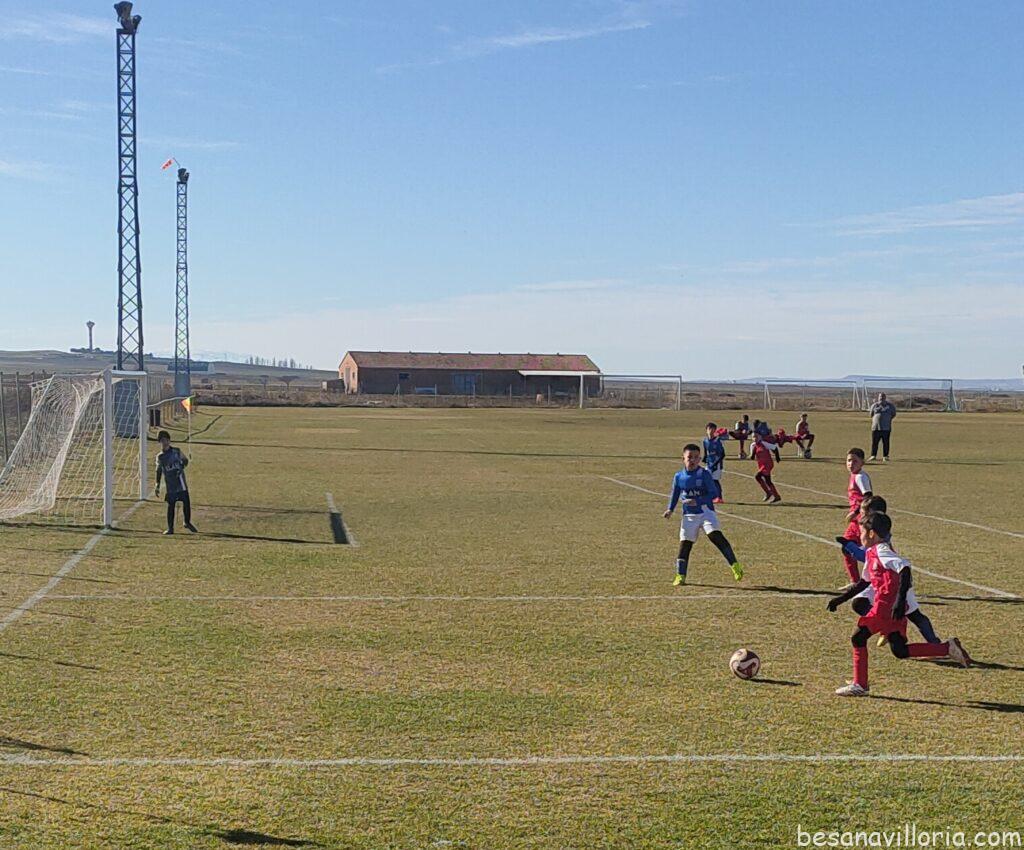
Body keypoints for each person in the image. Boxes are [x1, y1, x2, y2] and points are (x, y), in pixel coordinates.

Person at [827, 512, 970, 697]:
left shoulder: (881, 550)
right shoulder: (871, 553)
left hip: (885, 607)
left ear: (872, 533)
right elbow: (863, 583)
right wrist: (840, 599)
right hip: (892, 608)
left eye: (861, 532)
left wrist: (900, 601)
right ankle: (947, 648)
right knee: (900, 650)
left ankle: (860, 684)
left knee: (858, 638)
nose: (859, 536)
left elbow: (904, 568)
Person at [836, 496, 941, 646]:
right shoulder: (875, 527)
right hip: (879, 577)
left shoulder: (878, 533)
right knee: (859, 603)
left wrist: (849, 546)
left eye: (863, 512)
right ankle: (887, 626)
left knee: (914, 614)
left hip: (894, 578)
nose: (861, 515)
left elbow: (868, 556)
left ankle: (934, 643)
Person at [663, 443, 744, 585]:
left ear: (700, 459)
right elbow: (675, 494)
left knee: (715, 536)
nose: (692, 460)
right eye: (689, 457)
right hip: (689, 515)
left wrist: (698, 501)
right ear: (683, 458)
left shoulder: (704, 474)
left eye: (696, 457)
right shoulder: (679, 476)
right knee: (685, 544)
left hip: (706, 512)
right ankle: (680, 575)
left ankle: (735, 565)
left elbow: (713, 493)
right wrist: (670, 509)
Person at [838, 448, 872, 583]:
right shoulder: (855, 475)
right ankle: (856, 581)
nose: (851, 463)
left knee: (854, 548)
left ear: (862, 462)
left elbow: (868, 497)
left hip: (861, 519)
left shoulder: (860, 477)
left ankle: (864, 580)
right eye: (849, 460)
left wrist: (855, 512)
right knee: (848, 547)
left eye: (855, 461)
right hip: (857, 520)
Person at [155, 430, 197, 535]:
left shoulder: (176, 451)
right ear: (160, 442)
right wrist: (157, 484)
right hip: (170, 485)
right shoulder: (160, 457)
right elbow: (158, 470)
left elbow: (185, 461)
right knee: (171, 506)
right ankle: (170, 528)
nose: (165, 442)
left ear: (169, 440)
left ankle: (187, 522)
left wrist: (181, 467)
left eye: (166, 440)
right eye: (162, 440)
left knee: (186, 502)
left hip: (181, 482)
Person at [750, 434, 781, 503]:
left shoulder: (764, 443)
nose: (755, 438)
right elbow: (752, 456)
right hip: (762, 465)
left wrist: (777, 457)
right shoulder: (753, 445)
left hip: (767, 464)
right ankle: (772, 494)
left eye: (756, 437)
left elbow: (775, 448)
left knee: (761, 478)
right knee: (760, 478)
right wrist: (752, 455)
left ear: (759, 437)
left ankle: (773, 495)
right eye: (753, 437)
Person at [868, 393, 897, 462]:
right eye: (880, 396)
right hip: (876, 428)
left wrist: (886, 419)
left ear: (885, 397)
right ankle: (873, 455)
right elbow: (871, 414)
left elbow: (893, 414)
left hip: (886, 428)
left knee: (886, 443)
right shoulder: (874, 405)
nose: (881, 398)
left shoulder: (890, 406)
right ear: (878, 397)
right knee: (875, 442)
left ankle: (885, 456)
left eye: (883, 397)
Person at [702, 422, 726, 504]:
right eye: (709, 429)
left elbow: (722, 454)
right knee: (707, 479)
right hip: (709, 463)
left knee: (715, 480)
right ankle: (710, 496)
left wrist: (715, 464)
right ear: (706, 430)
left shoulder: (717, 441)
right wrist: (704, 458)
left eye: (713, 429)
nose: (711, 431)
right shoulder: (705, 441)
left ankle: (719, 497)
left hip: (717, 464)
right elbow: (706, 451)